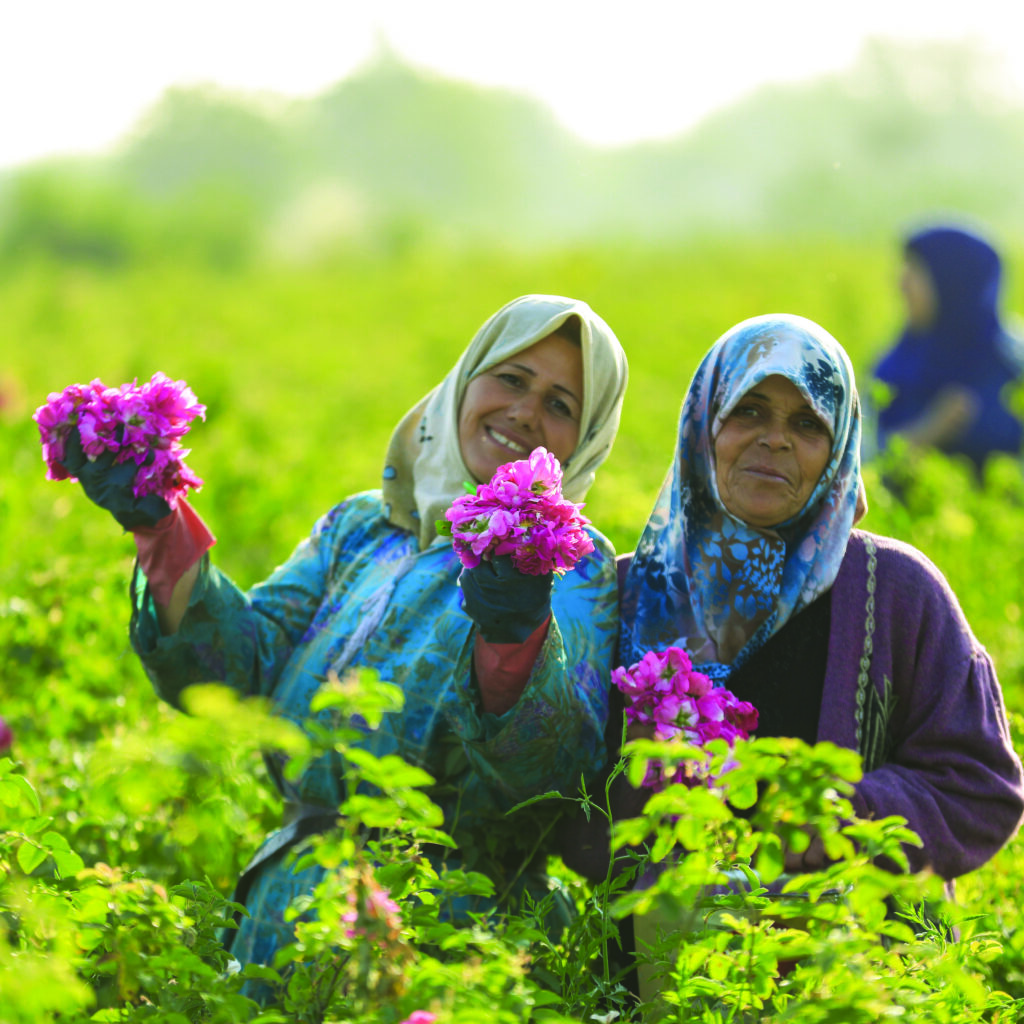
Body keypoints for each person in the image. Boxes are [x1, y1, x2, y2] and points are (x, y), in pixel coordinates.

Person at [66, 294, 629, 973]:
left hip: (442, 938)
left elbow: (547, 766)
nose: (526, 411)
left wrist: (516, 626)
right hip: (286, 911)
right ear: (467, 379)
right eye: (510, 379)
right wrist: (160, 523)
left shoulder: (572, 563)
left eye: (561, 404)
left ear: (586, 435)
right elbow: (237, 666)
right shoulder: (367, 526)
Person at [561, 313, 1024, 988]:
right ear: (703, 424)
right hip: (650, 984)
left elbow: (982, 785)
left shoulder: (895, 592)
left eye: (808, 424)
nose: (774, 440)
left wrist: (848, 814)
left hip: (858, 981)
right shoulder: (621, 596)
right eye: (748, 411)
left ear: (838, 451)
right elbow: (549, 797)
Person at [873, 223, 1024, 472]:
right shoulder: (893, 367)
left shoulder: (1013, 365)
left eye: (916, 271)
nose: (902, 283)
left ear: (954, 282)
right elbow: (862, 466)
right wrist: (928, 430)